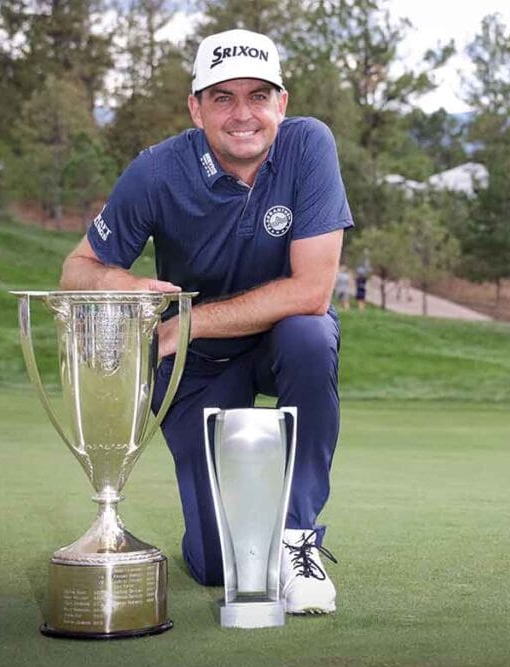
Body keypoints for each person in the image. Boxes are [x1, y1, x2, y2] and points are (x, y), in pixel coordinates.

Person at [60, 29, 352, 614]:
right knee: (220, 565)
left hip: (269, 341)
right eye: (223, 98)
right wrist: (130, 286)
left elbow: (312, 290)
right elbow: (77, 269)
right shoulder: (156, 171)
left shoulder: (308, 145)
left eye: (258, 96)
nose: (243, 114)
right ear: (196, 108)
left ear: (281, 103)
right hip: (196, 367)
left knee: (310, 333)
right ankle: (237, 541)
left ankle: (297, 539)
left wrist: (179, 328)